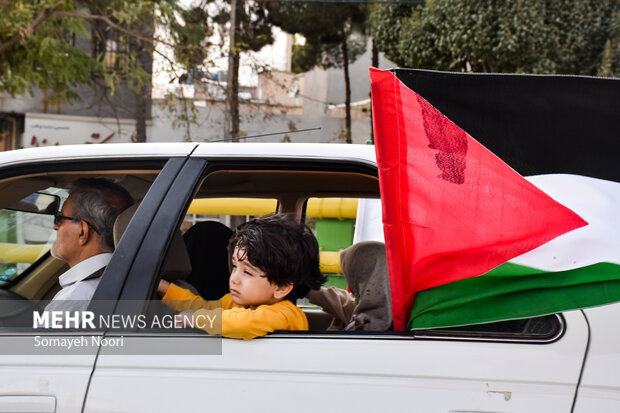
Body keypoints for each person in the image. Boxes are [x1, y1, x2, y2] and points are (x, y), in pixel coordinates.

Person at [158, 214, 326, 340]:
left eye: (247, 272)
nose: (234, 278)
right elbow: (204, 306)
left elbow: (244, 323)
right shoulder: (236, 302)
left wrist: (195, 318)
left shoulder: (286, 315)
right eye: (235, 266)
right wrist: (164, 288)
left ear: (281, 288)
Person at [45, 178, 133, 311]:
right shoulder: (132, 277)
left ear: (82, 232)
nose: (55, 226)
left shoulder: (71, 300)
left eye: (60, 218)